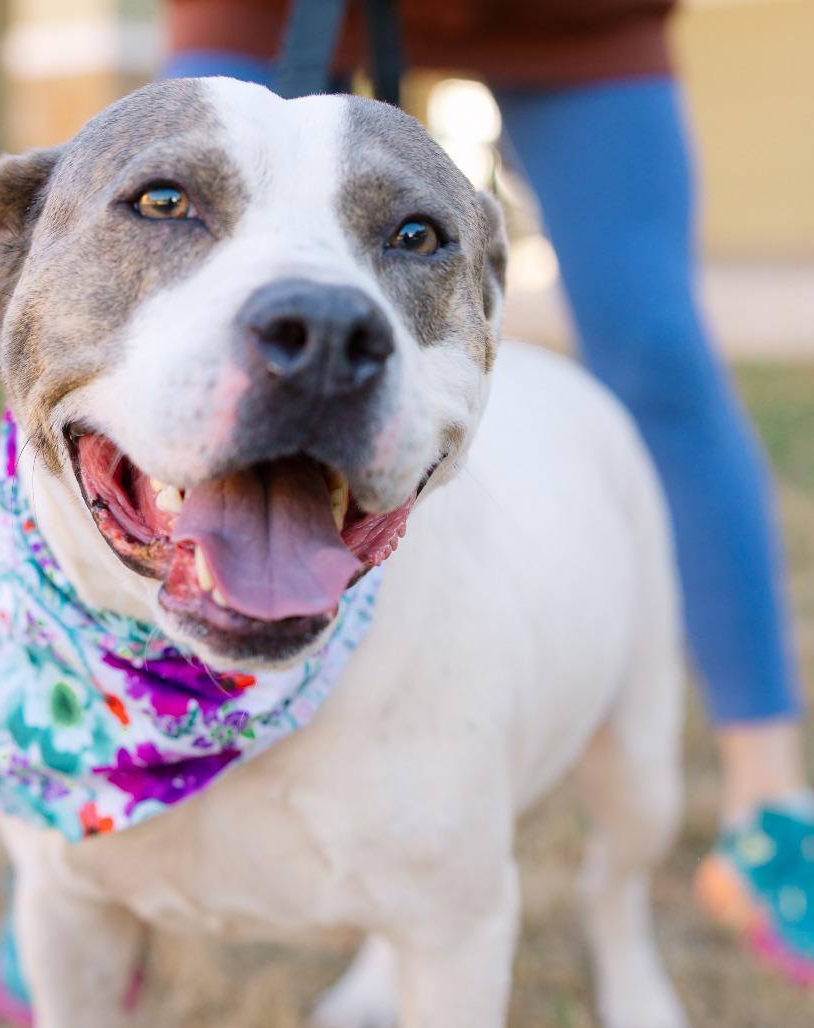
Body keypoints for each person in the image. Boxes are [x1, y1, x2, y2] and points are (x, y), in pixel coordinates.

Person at [161, 0, 814, 982]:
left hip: (570, 13)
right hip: (275, 7)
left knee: (656, 351)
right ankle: (77, 824)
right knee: (164, 320)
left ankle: (768, 803)